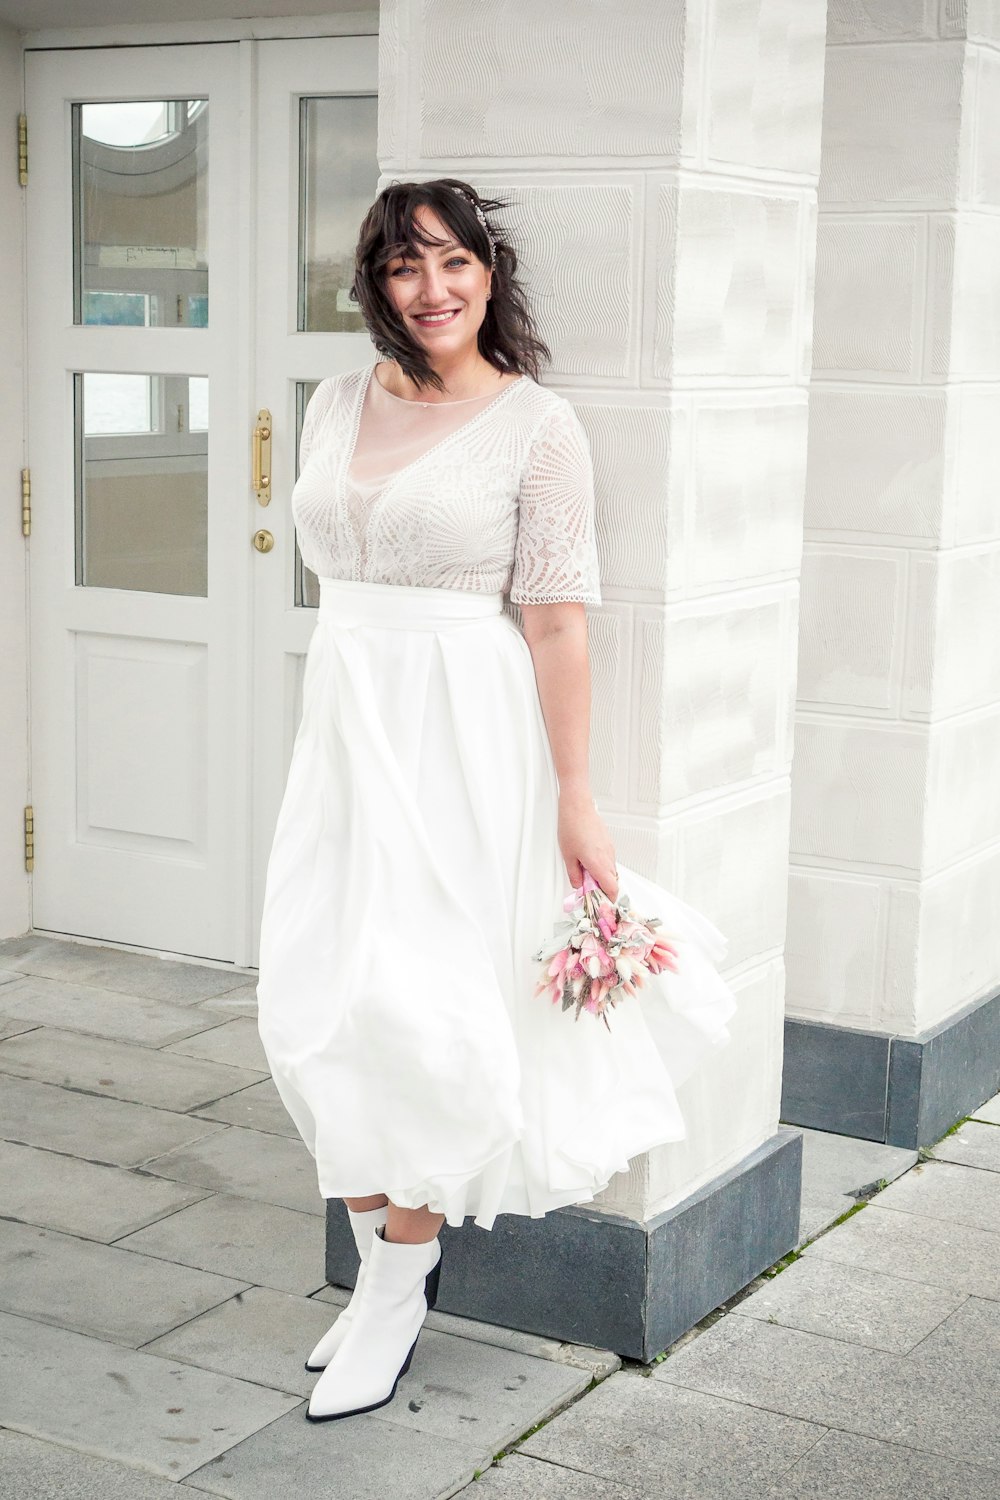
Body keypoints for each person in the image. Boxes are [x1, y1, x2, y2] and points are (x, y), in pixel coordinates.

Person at [255, 177, 737, 1424]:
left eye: (455, 263)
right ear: (375, 283)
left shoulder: (537, 425)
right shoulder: (330, 401)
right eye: (407, 268)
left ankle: (399, 1285)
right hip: (347, 730)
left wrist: (576, 796)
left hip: (464, 734)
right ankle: (381, 1273)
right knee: (316, 1000)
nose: (434, 290)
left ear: (488, 272)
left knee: (426, 1008)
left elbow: (559, 619)